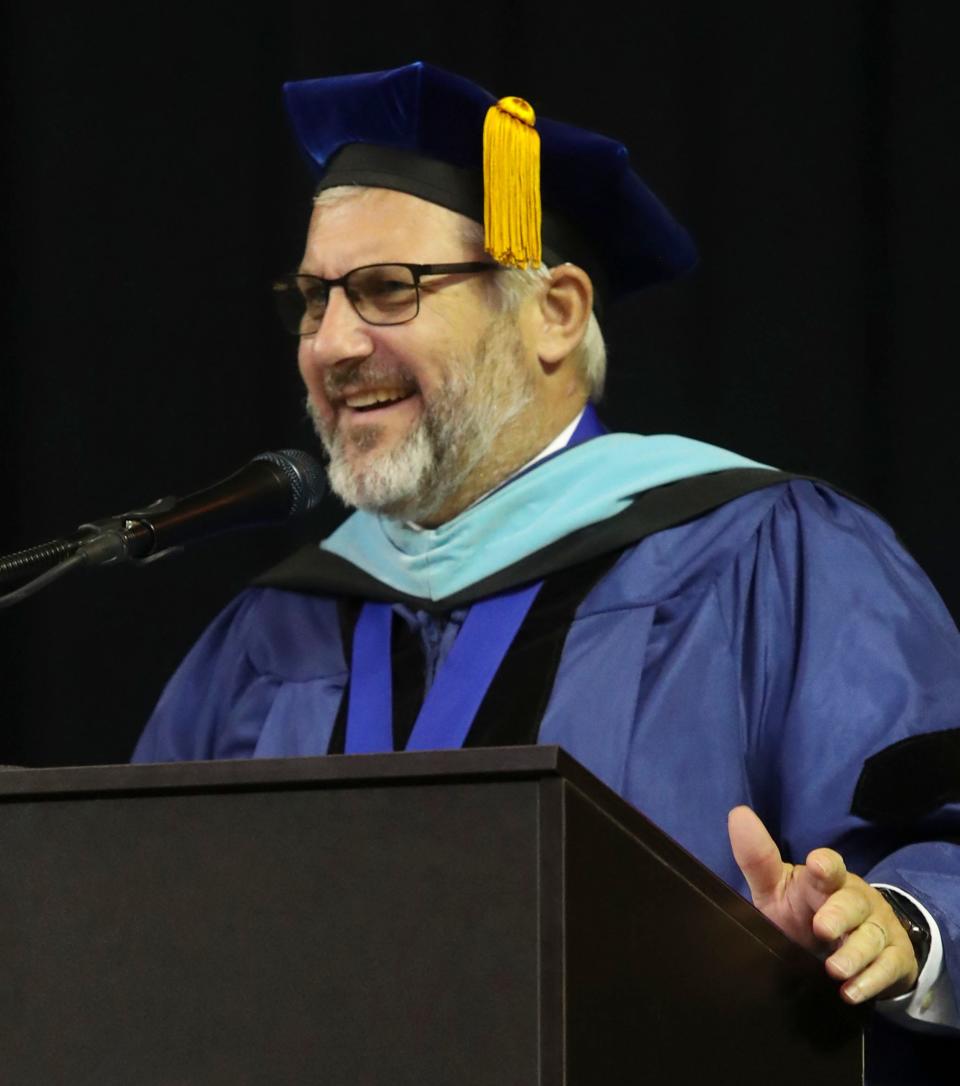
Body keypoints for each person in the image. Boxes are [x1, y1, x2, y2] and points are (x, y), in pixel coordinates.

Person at [133, 62, 959, 1076]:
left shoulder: (767, 554)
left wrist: (899, 926)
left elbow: (942, 837)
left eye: (388, 290)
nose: (334, 343)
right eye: (313, 299)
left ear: (556, 313)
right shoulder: (275, 633)